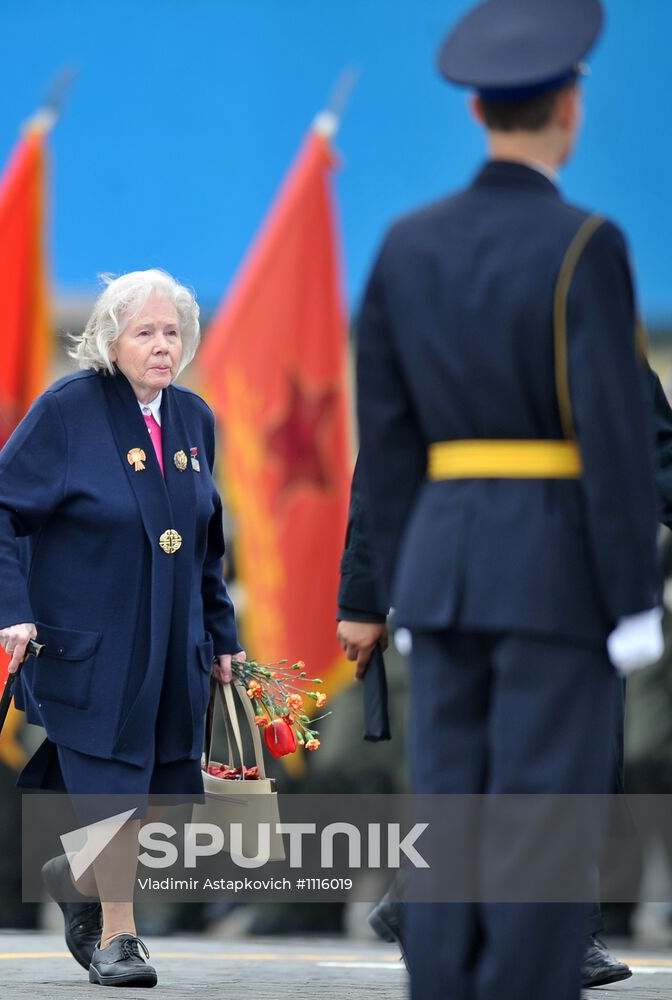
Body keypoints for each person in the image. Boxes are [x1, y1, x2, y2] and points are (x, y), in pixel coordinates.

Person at [354, 1, 662, 998]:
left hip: (442, 570)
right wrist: (631, 598)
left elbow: (386, 442)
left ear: (476, 108)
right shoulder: (585, 244)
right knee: (542, 815)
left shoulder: (404, 245)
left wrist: (402, 584)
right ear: (569, 108)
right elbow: (615, 436)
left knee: (449, 811)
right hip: (552, 572)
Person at [0, 269, 241, 989]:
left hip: (176, 646)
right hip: (94, 648)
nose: (162, 346)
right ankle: (121, 939)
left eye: (173, 332)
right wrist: (9, 610)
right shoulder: (68, 410)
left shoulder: (194, 419)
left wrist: (223, 638)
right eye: (145, 332)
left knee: (168, 803)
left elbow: (206, 544)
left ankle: (74, 875)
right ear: (110, 339)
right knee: (116, 796)